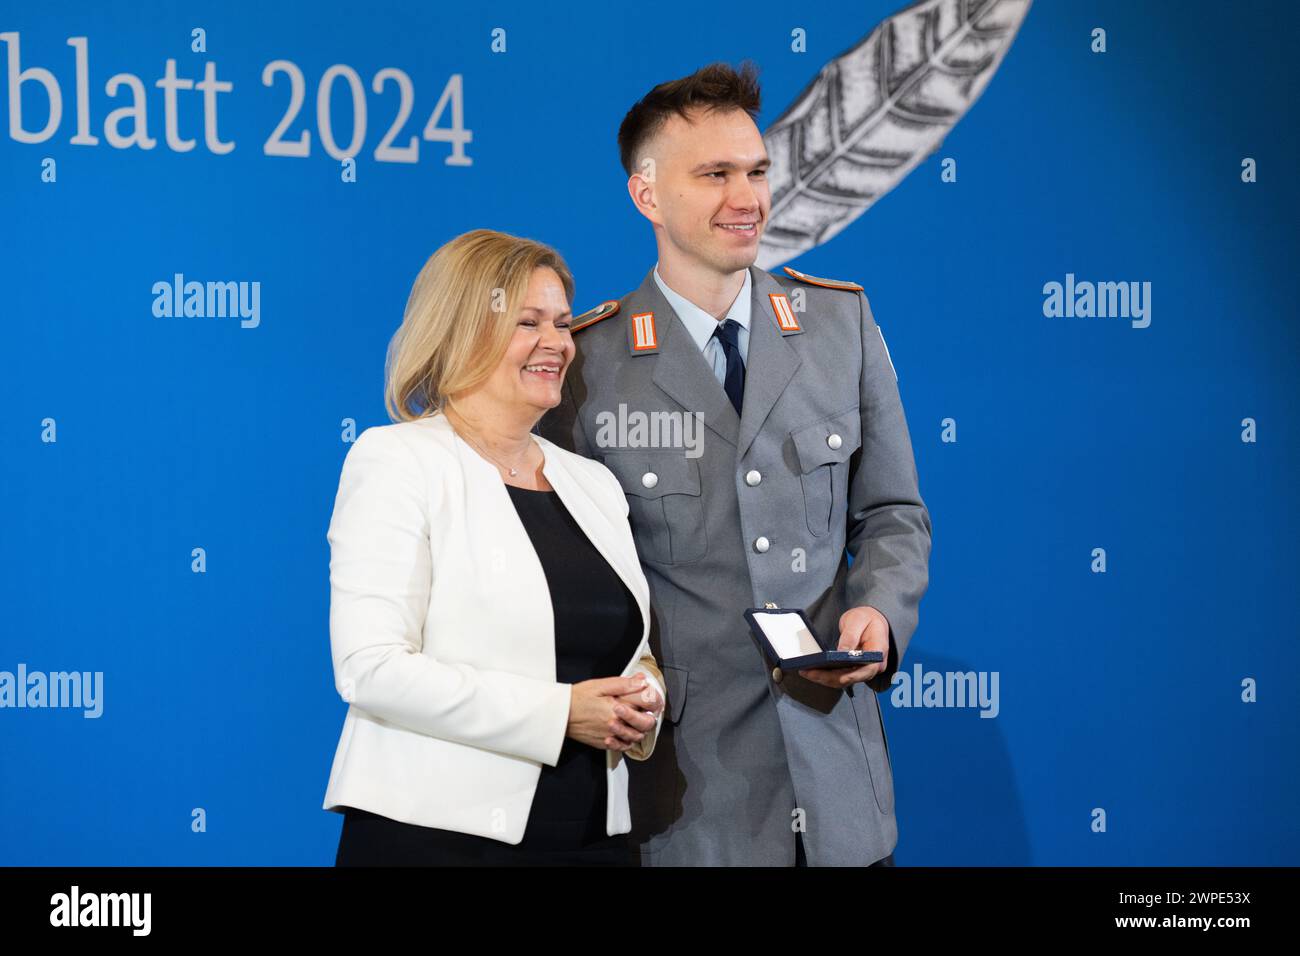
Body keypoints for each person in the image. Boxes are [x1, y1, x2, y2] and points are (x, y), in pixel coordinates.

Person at [538, 62, 932, 866]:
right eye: (714, 174)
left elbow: (893, 513)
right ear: (646, 195)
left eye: (756, 171)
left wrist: (882, 611)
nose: (746, 198)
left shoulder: (842, 325)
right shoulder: (585, 362)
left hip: (840, 793)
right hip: (688, 803)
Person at [323, 228, 666, 866]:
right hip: (435, 841)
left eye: (562, 323)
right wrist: (560, 713)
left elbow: (634, 652)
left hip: (593, 837)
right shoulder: (398, 460)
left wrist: (643, 698)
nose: (558, 344)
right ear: (460, 329)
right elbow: (370, 667)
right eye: (528, 322)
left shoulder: (591, 483)